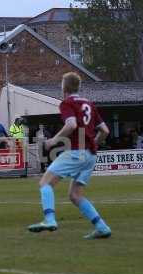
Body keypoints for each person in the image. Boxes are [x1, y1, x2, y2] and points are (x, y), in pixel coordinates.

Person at [28, 72, 111, 239]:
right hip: (90, 155)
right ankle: (102, 228)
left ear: (64, 87)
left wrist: (54, 141)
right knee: (75, 195)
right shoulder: (89, 104)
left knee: (45, 182)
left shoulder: (67, 103)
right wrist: (92, 143)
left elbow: (71, 124)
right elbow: (105, 131)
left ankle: (49, 219)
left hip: (77, 152)